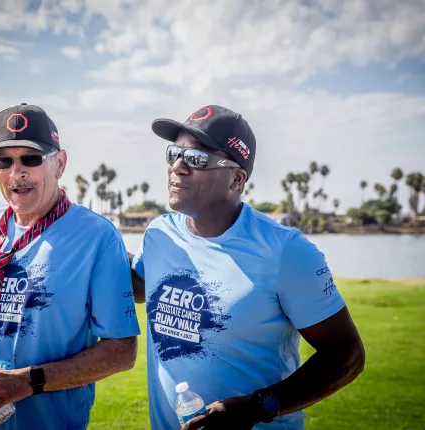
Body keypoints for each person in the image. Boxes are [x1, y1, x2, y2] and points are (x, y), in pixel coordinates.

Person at [130, 105, 365, 429]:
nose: (178, 168)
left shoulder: (287, 251)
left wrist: (257, 407)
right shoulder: (159, 235)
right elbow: (137, 286)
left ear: (236, 178)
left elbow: (347, 356)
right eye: (174, 154)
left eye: (197, 159)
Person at [0, 103, 140, 430]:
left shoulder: (97, 238)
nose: (17, 172)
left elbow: (121, 351)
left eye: (31, 159)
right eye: (4, 161)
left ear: (59, 163)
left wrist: (26, 381)